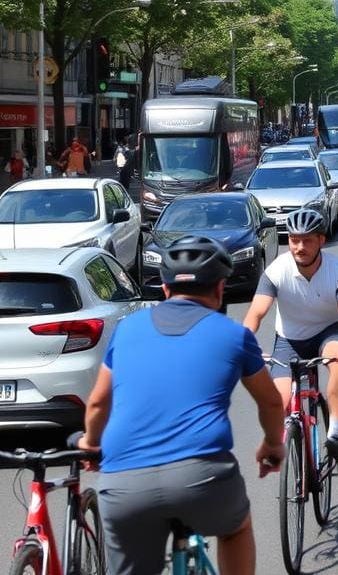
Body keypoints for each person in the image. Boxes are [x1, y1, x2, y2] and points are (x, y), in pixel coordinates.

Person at [79, 236, 285, 575]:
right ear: (220, 289)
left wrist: (90, 443)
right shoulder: (234, 335)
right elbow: (271, 403)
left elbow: (99, 401)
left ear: (163, 287)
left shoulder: (127, 329)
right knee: (237, 528)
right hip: (202, 478)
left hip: (127, 485)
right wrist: (273, 443)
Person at [243, 207, 338, 463]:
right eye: (294, 240)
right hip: (289, 340)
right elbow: (255, 313)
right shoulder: (277, 271)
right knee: (278, 402)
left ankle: (335, 434)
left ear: (321, 240)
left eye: (307, 240)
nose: (299, 247)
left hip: (328, 333)